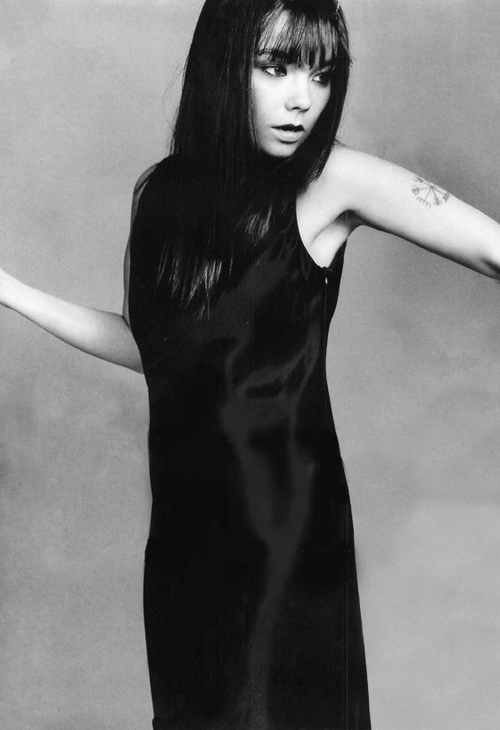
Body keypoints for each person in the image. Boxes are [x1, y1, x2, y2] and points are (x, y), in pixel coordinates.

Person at [1, 0, 500, 728]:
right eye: (276, 68)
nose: (303, 98)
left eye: (321, 75)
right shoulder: (163, 195)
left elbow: (492, 248)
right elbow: (161, 353)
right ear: (224, 64)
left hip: (285, 536)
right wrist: (8, 290)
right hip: (183, 540)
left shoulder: (333, 180)